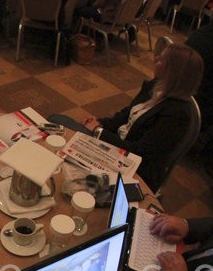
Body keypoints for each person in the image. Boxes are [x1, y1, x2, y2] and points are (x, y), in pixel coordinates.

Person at [49, 43, 204, 190]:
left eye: (161, 59)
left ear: (173, 72)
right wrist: (101, 123)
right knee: (56, 122)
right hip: (116, 144)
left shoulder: (177, 115)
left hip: (131, 164)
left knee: (57, 124)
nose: (156, 59)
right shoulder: (156, 85)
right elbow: (126, 114)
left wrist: (98, 131)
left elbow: (139, 153)